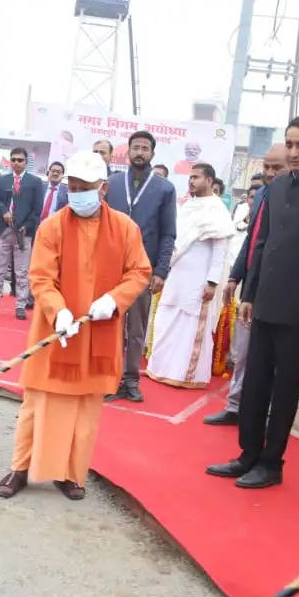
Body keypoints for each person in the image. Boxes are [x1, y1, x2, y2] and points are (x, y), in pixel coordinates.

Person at [207, 115, 299, 489]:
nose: (293, 152)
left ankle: (271, 463)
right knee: (255, 382)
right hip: (265, 306)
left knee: (284, 389)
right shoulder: (274, 189)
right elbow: (262, 244)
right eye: (289, 144)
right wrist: (251, 293)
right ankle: (247, 454)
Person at [0, 150, 151, 501]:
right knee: (38, 404)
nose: (77, 193)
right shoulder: (52, 226)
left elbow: (139, 271)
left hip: (99, 332)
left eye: (85, 187)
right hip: (57, 333)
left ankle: (69, 473)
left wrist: (114, 300)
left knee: (85, 411)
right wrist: (59, 311)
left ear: (104, 188)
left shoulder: (126, 228)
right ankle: (21, 468)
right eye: (73, 186)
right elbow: (40, 277)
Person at [204, 144, 286, 426]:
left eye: (278, 168)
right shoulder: (261, 195)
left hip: (276, 291)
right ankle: (235, 406)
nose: (270, 173)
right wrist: (234, 278)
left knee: (265, 359)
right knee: (241, 352)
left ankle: (259, 413)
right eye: (267, 166)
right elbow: (252, 243)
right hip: (249, 287)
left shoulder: (291, 199)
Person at [102, 130, 177, 403]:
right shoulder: (111, 184)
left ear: (153, 154)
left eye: (145, 148)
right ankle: (109, 379)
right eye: (136, 147)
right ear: (128, 151)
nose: (140, 153)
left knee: (136, 328)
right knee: (110, 326)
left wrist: (161, 271)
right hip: (111, 268)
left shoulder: (165, 189)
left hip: (142, 270)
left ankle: (131, 380)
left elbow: (169, 233)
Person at [146, 162, 234, 388]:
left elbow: (220, 250)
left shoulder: (216, 209)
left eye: (196, 177)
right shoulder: (187, 206)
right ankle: (160, 368)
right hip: (176, 276)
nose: (191, 181)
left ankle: (187, 376)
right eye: (190, 178)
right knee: (166, 318)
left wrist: (212, 282)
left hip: (198, 279)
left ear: (210, 181)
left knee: (190, 324)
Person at [0, 147, 46, 320]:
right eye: (14, 160)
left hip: (23, 233)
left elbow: (37, 209)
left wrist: (27, 225)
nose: (16, 163)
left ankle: (20, 305)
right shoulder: (2, 180)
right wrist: (3, 212)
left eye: (20, 160)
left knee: (22, 272)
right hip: (4, 230)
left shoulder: (35, 182)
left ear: (26, 162)